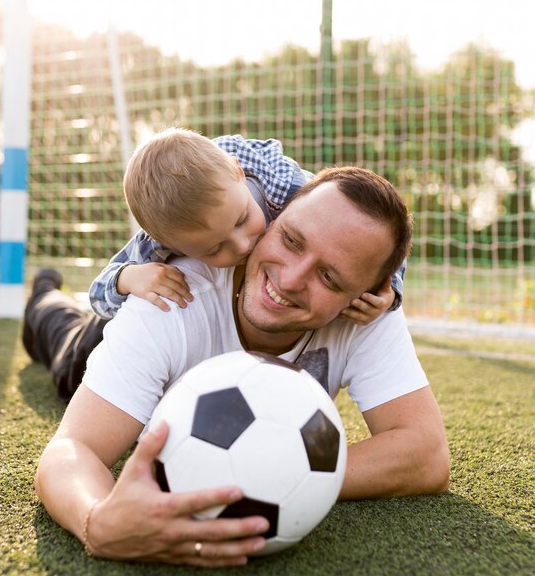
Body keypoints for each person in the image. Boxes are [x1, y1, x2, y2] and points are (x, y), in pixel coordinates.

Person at [31, 166, 450, 567]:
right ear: (274, 216)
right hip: (95, 339)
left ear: (367, 295)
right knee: (58, 334)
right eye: (291, 240)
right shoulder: (169, 299)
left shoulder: (367, 318)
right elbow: (71, 450)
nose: (288, 281)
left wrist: (292, 481)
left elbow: (426, 454)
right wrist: (97, 522)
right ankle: (45, 294)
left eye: (330, 278)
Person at [23, 128, 404, 401]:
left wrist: (391, 290)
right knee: (67, 357)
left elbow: (370, 225)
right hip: (111, 330)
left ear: (238, 171)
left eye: (241, 221)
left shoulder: (283, 183)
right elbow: (99, 293)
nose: (241, 245)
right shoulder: (157, 240)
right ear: (170, 244)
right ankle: (43, 298)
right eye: (213, 249)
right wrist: (128, 276)